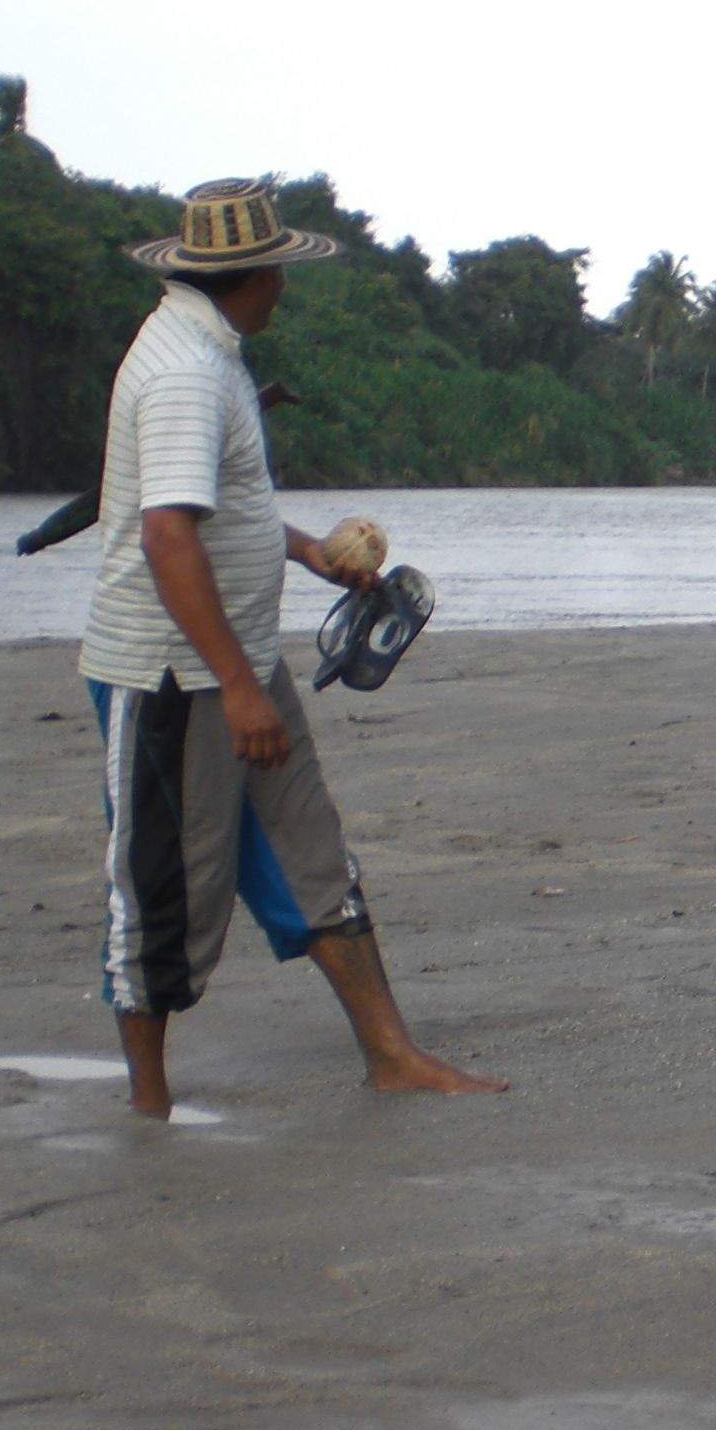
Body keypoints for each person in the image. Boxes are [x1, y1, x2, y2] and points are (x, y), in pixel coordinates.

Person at [78, 177, 506, 1116]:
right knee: (161, 890)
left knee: (313, 852)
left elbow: (217, 513)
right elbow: (165, 536)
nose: (285, 289)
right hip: (173, 676)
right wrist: (236, 687)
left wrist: (308, 550)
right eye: (280, 273)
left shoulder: (211, 351)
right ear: (256, 274)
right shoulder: (188, 372)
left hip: (232, 663)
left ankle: (392, 1054)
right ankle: (147, 1104)